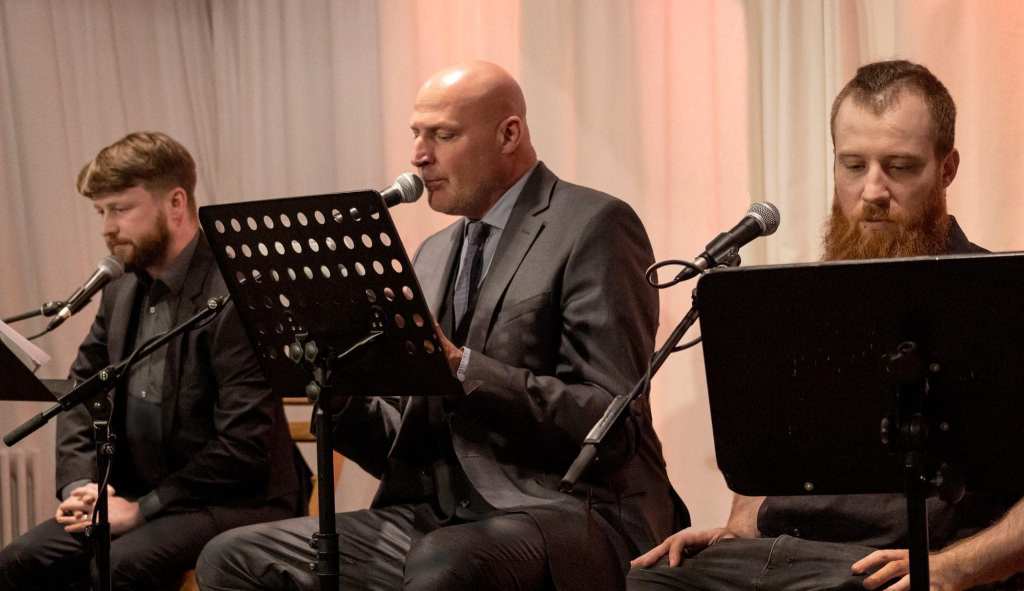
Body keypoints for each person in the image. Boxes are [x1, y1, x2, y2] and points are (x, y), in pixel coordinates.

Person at [196, 61, 687, 591]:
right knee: (232, 556)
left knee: (446, 562)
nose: (418, 155)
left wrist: (459, 365)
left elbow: (610, 421)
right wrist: (336, 386)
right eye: (416, 133)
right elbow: (400, 446)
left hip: (567, 507)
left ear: (508, 135)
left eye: (443, 135)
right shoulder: (432, 253)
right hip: (439, 515)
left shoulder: (594, 224)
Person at [628, 60, 1022, 591]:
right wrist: (737, 532)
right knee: (641, 581)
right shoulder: (800, 299)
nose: (872, 190)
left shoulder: (999, 297)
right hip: (771, 557)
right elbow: (769, 447)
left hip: (890, 565)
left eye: (900, 167)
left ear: (947, 168)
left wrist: (956, 566)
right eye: (853, 165)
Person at [0, 131, 308, 591]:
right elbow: (82, 392)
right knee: (21, 560)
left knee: (121, 565)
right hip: (137, 495)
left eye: (120, 209)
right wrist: (82, 487)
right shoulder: (121, 286)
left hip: (235, 499)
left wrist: (144, 509)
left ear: (176, 203)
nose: (107, 227)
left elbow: (244, 446)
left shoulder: (233, 292)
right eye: (101, 212)